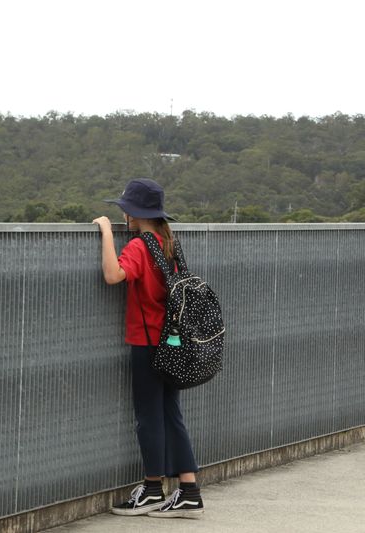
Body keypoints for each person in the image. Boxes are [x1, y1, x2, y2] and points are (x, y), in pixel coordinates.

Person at [92, 178, 204, 519]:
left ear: (133, 213)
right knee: (170, 414)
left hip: (147, 342)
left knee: (148, 417)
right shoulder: (169, 243)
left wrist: (105, 232)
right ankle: (188, 490)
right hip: (173, 341)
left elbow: (113, 275)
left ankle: (153, 488)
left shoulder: (140, 246)